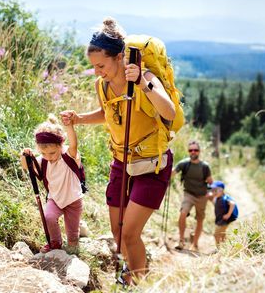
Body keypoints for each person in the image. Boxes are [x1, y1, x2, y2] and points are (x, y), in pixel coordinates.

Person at [60, 17, 175, 285]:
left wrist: (144, 85)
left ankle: (138, 282)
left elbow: (168, 111)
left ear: (120, 57)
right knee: (117, 231)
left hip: (152, 164)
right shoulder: (102, 85)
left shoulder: (145, 77)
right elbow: (107, 112)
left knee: (130, 233)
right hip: (121, 162)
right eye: (94, 67)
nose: (98, 71)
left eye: (101, 65)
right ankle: (131, 274)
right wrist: (78, 118)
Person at [20, 115, 83, 254]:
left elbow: (74, 144)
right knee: (49, 217)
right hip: (55, 198)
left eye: (52, 153)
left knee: (72, 234)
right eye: (43, 153)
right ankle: (55, 242)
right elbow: (26, 166)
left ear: (61, 145)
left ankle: (73, 246)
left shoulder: (68, 155)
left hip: (73, 200)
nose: (48, 156)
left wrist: (69, 126)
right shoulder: (43, 160)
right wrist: (24, 156)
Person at [172, 141, 213, 251]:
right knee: (183, 213)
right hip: (188, 194)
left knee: (200, 220)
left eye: (195, 150)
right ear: (188, 151)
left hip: (202, 196)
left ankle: (194, 244)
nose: (193, 152)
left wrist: (212, 191)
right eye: (191, 150)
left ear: (199, 151)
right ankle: (181, 241)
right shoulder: (184, 164)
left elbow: (211, 182)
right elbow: (173, 173)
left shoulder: (205, 166)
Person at [206, 181, 238, 246]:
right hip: (220, 220)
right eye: (213, 190)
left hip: (224, 221)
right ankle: (226, 247)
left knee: (216, 234)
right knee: (222, 234)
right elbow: (215, 203)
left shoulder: (225, 198)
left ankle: (219, 248)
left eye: (215, 190)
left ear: (221, 190)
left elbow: (232, 204)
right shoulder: (218, 198)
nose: (213, 192)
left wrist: (228, 214)